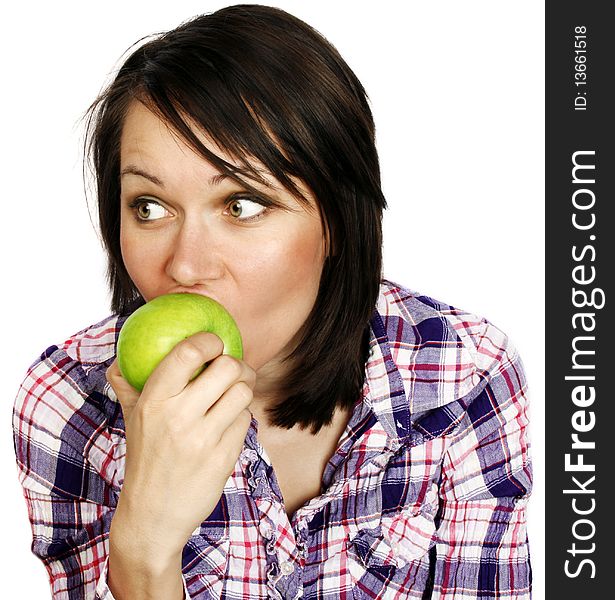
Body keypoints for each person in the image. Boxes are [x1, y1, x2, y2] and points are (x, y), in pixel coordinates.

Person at [12, 4, 532, 599]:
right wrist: (144, 551)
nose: (183, 265)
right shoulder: (69, 404)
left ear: (336, 218)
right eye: (149, 208)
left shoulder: (464, 375)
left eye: (241, 205)